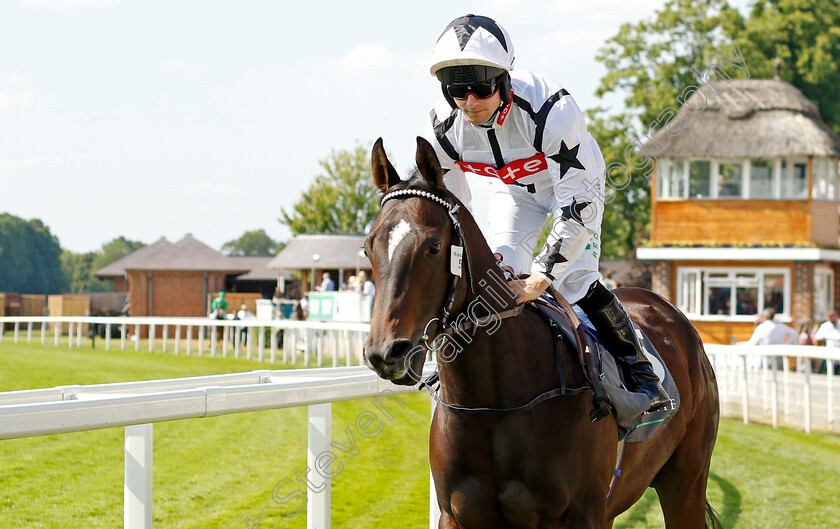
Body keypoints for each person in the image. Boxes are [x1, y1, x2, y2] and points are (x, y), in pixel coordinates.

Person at [423, 14, 668, 411]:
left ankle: (642, 371)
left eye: (481, 88)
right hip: (514, 194)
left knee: (573, 280)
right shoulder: (445, 124)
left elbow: (578, 207)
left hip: (571, 194)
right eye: (456, 90)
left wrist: (541, 278)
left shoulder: (553, 109)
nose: (469, 102)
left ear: (504, 79)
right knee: (494, 285)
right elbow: (452, 208)